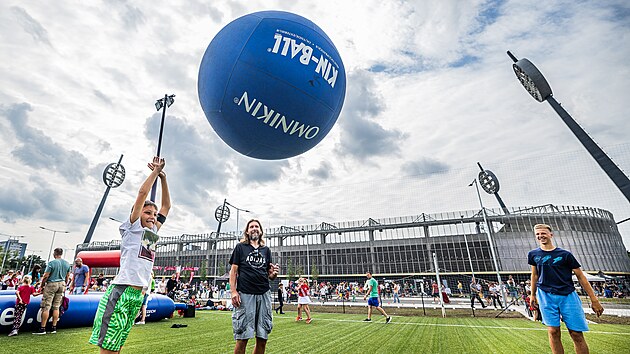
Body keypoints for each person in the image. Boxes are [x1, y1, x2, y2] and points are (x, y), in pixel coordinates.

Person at [89, 156, 171, 353]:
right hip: (121, 291)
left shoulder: (153, 233)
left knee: (118, 344)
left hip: (137, 294)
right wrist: (154, 172)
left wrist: (163, 178)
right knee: (109, 346)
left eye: (153, 214)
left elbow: (166, 207)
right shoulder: (132, 227)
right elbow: (142, 193)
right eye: (147, 213)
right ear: (137, 213)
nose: (152, 216)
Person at [528, 223, 604, 354]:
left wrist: (594, 300)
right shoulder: (533, 254)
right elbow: (534, 275)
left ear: (551, 234)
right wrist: (533, 295)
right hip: (545, 296)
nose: (541, 236)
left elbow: (581, 277)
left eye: (543, 233)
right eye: (538, 234)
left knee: (576, 334)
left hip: (567, 295)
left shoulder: (565, 255)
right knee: (553, 331)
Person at [229, 219, 280, 354]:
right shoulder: (240, 247)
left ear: (261, 231)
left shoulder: (266, 250)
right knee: (243, 337)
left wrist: (274, 274)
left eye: (256, 226)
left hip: (264, 294)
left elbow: (270, 275)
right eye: (251, 226)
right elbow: (233, 271)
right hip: (245, 294)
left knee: (263, 337)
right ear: (247, 231)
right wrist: (233, 292)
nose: (254, 228)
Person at [34, 248, 71, 334]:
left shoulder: (51, 263)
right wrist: (64, 284)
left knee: (46, 306)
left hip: (52, 284)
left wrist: (42, 285)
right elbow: (68, 276)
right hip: (62, 284)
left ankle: (42, 328)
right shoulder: (67, 264)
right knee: (56, 306)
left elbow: (46, 276)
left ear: (54, 254)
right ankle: (54, 327)